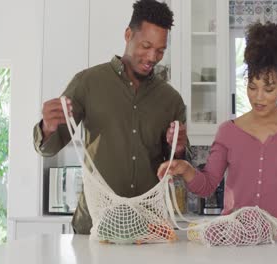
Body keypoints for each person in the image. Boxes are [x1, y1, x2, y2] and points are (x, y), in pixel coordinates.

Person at [33, 0, 190, 234]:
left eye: (160, 50)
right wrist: (47, 127)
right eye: (146, 46)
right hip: (94, 227)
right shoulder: (87, 83)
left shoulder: (171, 100)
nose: (152, 57)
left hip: (149, 229)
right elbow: (48, 149)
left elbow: (175, 167)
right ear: (128, 35)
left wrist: (177, 150)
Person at [157, 22, 277, 231]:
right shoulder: (228, 132)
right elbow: (207, 185)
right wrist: (185, 169)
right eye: (252, 86)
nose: (258, 97)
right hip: (232, 238)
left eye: (269, 89)